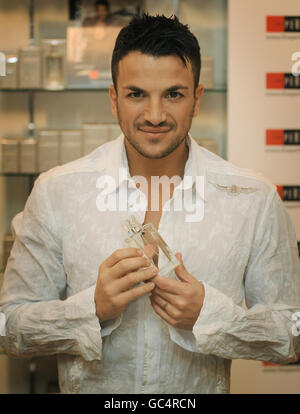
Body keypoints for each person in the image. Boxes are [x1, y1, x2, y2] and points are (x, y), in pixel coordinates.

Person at [0, 14, 300, 394]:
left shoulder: (252, 197)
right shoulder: (57, 191)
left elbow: (291, 333)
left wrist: (210, 317)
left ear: (197, 99)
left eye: (173, 94)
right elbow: (9, 327)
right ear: (114, 99)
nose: (155, 115)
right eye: (136, 94)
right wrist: (92, 308)